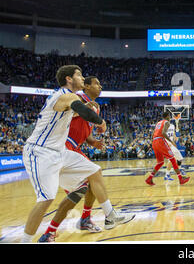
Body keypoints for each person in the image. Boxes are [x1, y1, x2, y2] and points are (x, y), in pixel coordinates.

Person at [21, 65, 134, 243]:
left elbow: (77, 112)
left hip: (60, 152)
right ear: (68, 79)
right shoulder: (65, 95)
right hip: (40, 152)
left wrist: (88, 117)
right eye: (79, 75)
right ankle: (26, 240)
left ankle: (110, 215)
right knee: (46, 199)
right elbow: (82, 111)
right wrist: (100, 121)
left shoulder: (71, 98)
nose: (82, 78)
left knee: (94, 171)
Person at [38, 76, 107, 242]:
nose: (101, 86)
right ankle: (50, 232)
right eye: (97, 83)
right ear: (87, 86)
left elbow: (87, 133)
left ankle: (83, 219)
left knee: (90, 185)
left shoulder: (95, 107)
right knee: (84, 187)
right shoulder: (78, 98)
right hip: (61, 147)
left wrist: (94, 142)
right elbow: (71, 109)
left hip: (74, 148)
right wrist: (85, 108)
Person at [145, 111, 190, 186]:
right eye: (169, 116)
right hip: (160, 141)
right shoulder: (167, 122)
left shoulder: (158, 123)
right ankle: (180, 179)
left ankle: (149, 178)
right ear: (167, 116)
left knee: (160, 162)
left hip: (154, 141)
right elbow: (163, 133)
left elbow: (153, 134)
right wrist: (171, 141)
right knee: (173, 159)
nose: (170, 118)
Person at [164, 116, 187, 181]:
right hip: (167, 146)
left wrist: (177, 123)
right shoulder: (163, 127)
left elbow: (174, 132)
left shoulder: (172, 126)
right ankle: (180, 170)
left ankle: (167, 175)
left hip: (172, 145)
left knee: (176, 159)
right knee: (175, 159)